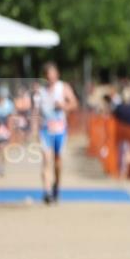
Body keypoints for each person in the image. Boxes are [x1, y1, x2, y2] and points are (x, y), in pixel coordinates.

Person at [37, 63, 79, 203]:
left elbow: (74, 104)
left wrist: (64, 106)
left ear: (57, 75)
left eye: (53, 74)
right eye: (48, 75)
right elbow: (35, 111)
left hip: (60, 130)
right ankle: (47, 191)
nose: (51, 77)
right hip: (45, 130)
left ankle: (56, 186)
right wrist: (33, 128)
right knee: (46, 160)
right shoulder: (41, 91)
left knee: (58, 161)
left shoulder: (63, 87)